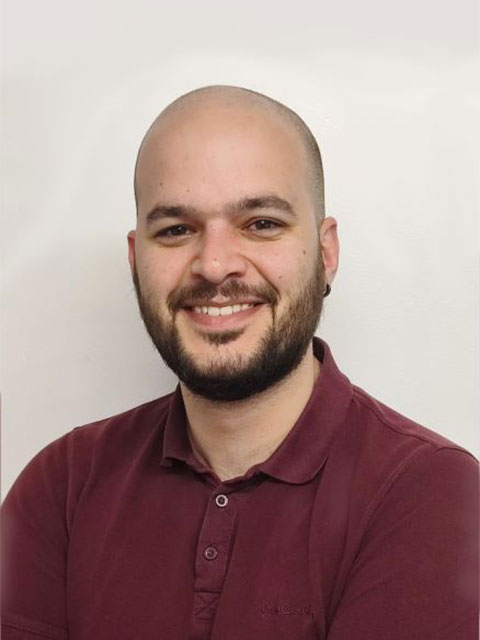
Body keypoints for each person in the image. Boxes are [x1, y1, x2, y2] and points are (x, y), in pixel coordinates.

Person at [1, 85, 478, 640]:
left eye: (261, 223)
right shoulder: (61, 486)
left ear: (325, 252)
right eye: (176, 230)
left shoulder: (426, 490)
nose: (214, 264)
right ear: (136, 260)